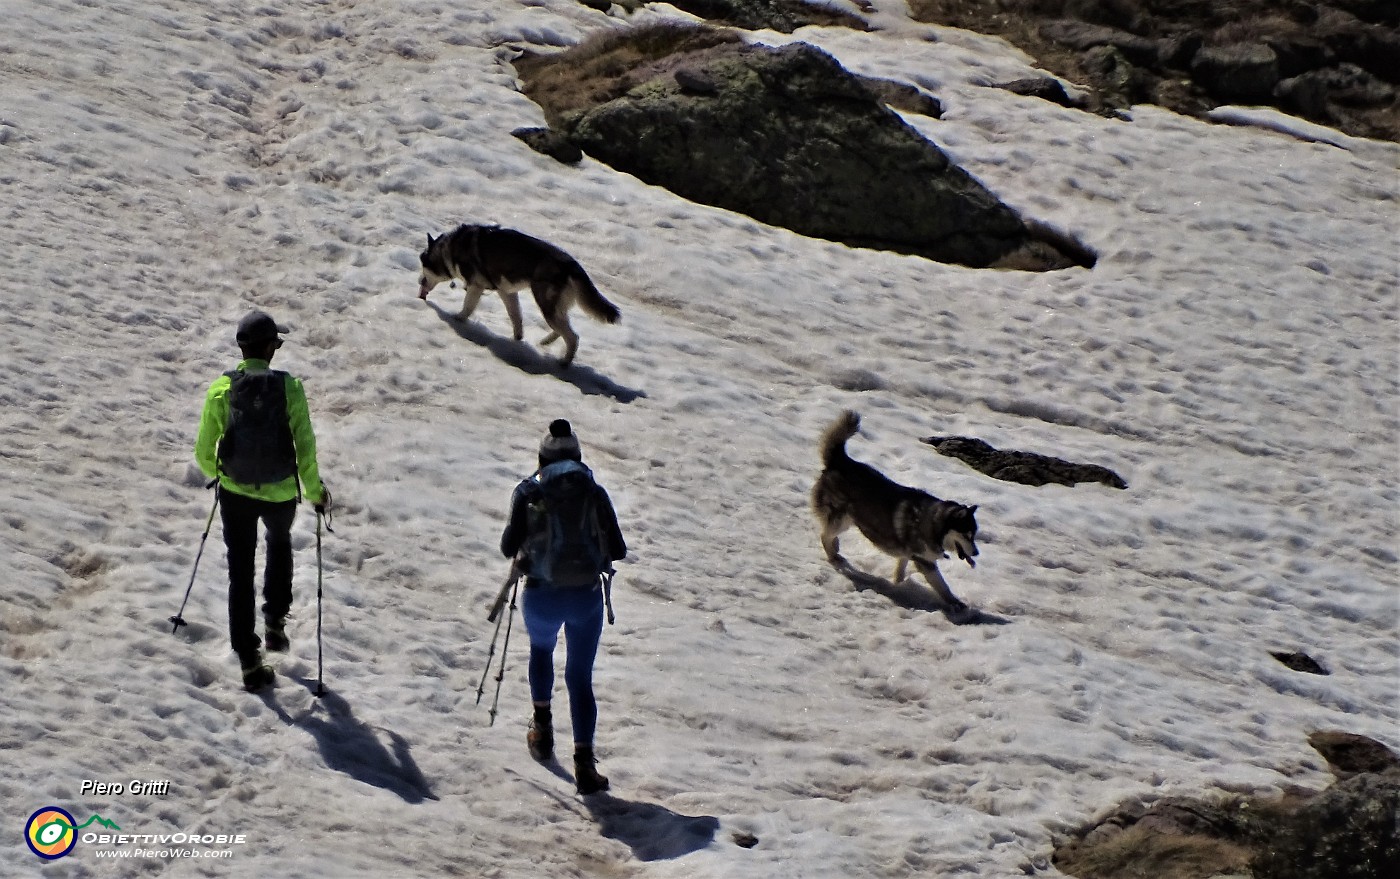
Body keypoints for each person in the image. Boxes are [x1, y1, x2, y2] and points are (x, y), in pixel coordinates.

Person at [194, 310, 330, 692]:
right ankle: (274, 622)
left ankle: (249, 660)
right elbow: (305, 448)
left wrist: (221, 474)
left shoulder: (222, 388)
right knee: (279, 544)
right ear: (272, 348)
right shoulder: (290, 389)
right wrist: (316, 492)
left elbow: (203, 451)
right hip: (281, 491)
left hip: (235, 492)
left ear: (241, 348)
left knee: (240, 569)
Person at [501, 419, 626, 794]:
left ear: (540, 458)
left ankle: (541, 730)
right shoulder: (594, 492)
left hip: (541, 595)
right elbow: (618, 549)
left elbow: (509, 546)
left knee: (541, 650)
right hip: (585, 598)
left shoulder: (528, 492)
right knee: (580, 678)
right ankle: (585, 765)